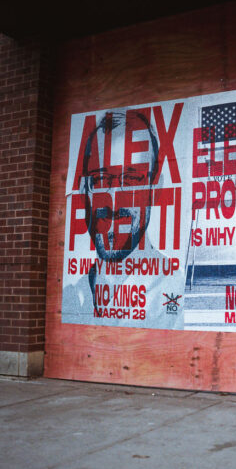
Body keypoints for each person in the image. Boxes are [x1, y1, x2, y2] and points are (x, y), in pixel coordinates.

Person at [61, 111, 182, 328]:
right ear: (83, 192)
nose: (114, 201)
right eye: (99, 179)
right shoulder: (72, 297)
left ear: (156, 190)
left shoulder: (176, 291)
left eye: (132, 179)